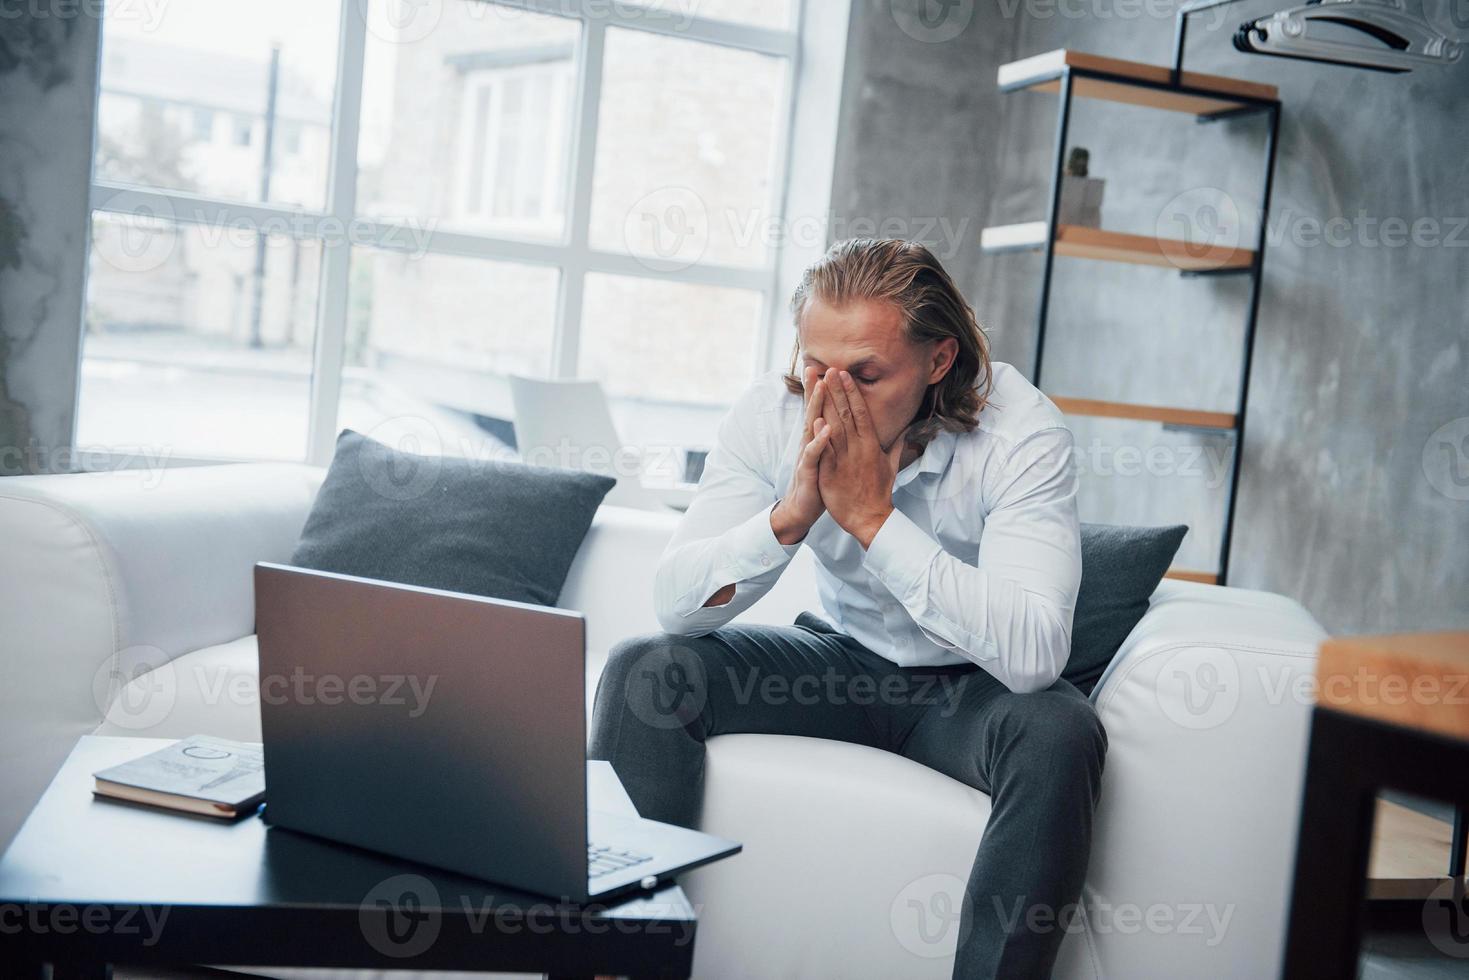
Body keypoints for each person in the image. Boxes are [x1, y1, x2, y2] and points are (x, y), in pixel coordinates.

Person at [589, 238, 1105, 978]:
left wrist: (873, 520)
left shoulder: (1022, 431)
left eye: (865, 374)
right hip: (841, 663)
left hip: (970, 688)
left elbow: (1032, 656)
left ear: (937, 362)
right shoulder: (770, 416)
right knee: (648, 666)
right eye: (814, 368)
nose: (831, 398)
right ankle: (612, 965)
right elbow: (678, 607)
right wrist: (787, 518)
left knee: (1060, 730)